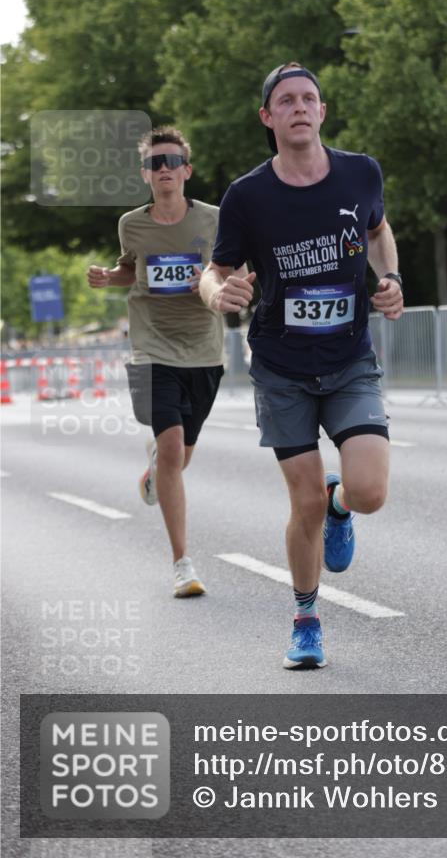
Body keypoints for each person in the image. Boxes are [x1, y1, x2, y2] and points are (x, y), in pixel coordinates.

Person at [200, 62, 403, 668]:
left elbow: (379, 230)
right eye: (285, 100)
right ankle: (307, 618)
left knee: (367, 492)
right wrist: (219, 294)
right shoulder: (248, 195)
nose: (298, 107)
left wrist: (389, 277)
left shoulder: (360, 172)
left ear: (321, 111)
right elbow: (215, 271)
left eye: (308, 99)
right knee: (304, 502)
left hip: (348, 361)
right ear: (268, 117)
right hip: (282, 367)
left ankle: (344, 506)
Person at [87, 126, 236, 597]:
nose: (164, 169)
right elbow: (131, 266)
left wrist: (212, 281)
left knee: (180, 456)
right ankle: (182, 563)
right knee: (171, 448)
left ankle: (155, 472)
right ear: (145, 174)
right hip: (150, 346)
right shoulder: (132, 224)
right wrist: (109, 277)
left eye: (172, 161)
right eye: (155, 163)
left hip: (204, 351)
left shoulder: (215, 220)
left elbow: (239, 268)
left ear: (187, 171)